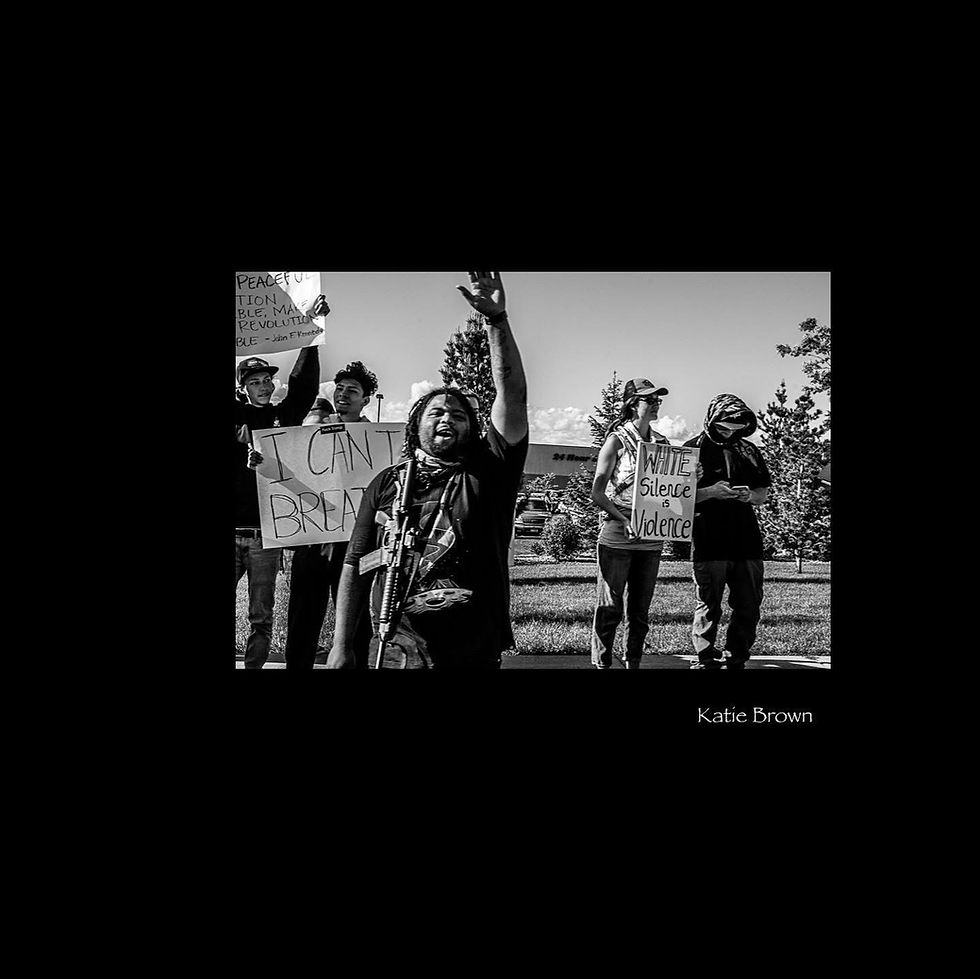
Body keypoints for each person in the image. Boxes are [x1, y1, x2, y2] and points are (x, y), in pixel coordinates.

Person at [326, 271, 528, 670]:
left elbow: (513, 396)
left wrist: (496, 321)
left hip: (472, 646)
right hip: (396, 646)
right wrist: (341, 644)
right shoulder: (388, 483)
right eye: (436, 412)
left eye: (459, 415)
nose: (447, 418)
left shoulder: (489, 473)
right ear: (416, 425)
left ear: (472, 429)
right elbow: (355, 563)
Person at [235, 296, 328, 668]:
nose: (263, 386)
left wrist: (311, 334)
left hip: (265, 537)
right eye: (254, 382)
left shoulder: (283, 417)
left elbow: (303, 385)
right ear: (243, 388)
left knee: (261, 614)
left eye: (266, 380)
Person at [281, 363, 380, 670]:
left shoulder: (377, 440)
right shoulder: (313, 433)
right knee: (302, 617)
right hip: (313, 539)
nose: (343, 395)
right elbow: (289, 473)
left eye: (353, 390)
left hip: (355, 543)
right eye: (340, 389)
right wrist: (263, 461)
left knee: (356, 620)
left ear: (366, 400)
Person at [589, 378, 673, 670]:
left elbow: (670, 489)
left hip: (650, 535)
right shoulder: (617, 440)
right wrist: (624, 519)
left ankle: (633, 660)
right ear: (633, 404)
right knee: (610, 605)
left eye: (658, 400)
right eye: (650, 400)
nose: (656, 404)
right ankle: (602, 662)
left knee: (640, 609)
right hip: (617, 533)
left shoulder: (662, 443)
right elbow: (597, 492)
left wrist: (691, 475)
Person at [683, 394, 772, 669]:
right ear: (711, 421)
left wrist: (749, 496)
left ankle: (737, 656)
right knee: (708, 602)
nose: (729, 433)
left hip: (746, 538)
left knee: (749, 602)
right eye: (723, 428)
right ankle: (705, 657)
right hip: (708, 537)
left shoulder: (749, 450)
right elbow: (677, 499)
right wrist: (710, 492)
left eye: (736, 429)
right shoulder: (691, 449)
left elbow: (762, 493)